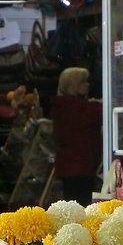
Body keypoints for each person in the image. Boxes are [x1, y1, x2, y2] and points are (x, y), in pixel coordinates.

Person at [50, 67, 102, 204]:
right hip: (78, 167)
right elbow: (97, 112)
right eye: (83, 82)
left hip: (76, 166)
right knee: (80, 204)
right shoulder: (71, 107)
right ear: (72, 85)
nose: (87, 84)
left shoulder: (64, 105)